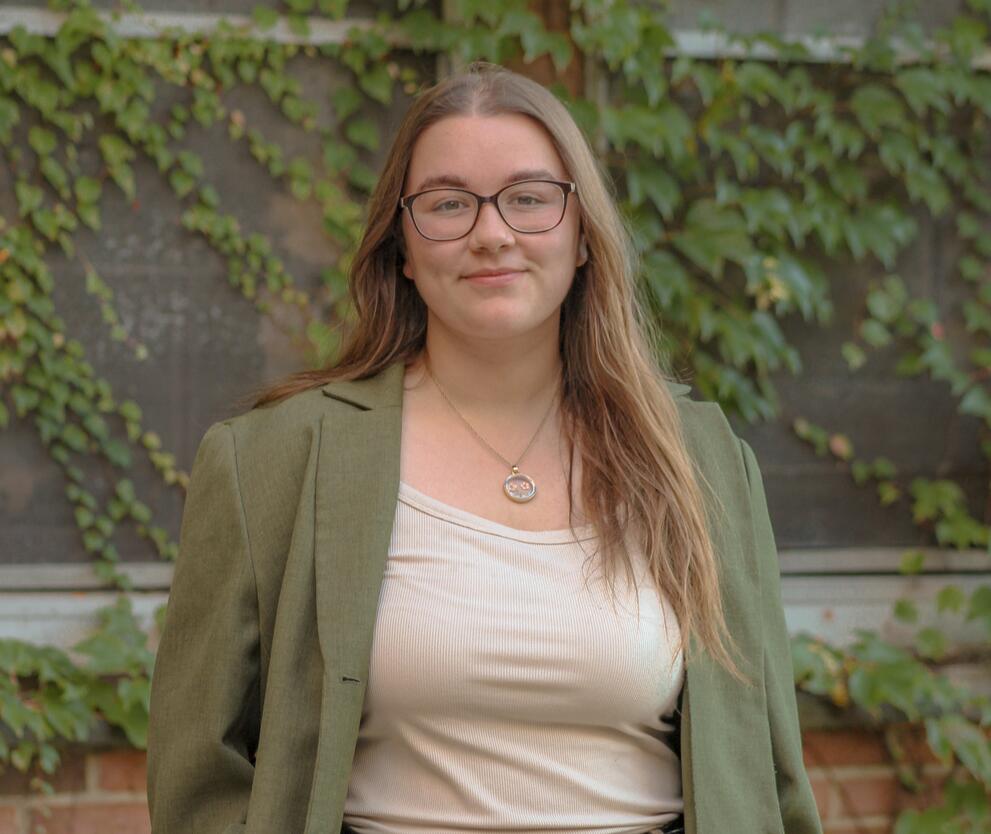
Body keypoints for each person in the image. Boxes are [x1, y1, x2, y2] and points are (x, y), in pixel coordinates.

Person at [146, 61, 823, 834]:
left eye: (529, 199)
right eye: (447, 204)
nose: (491, 233)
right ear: (401, 245)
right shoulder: (270, 461)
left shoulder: (699, 460)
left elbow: (771, 771)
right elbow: (197, 773)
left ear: (581, 238)